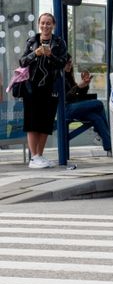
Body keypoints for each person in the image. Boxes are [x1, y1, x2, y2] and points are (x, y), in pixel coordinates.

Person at [19, 13, 69, 169]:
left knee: (45, 123)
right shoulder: (32, 41)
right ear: (39, 24)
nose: (45, 26)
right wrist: (36, 53)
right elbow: (22, 61)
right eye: (43, 23)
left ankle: (39, 155)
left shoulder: (59, 43)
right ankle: (33, 157)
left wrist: (51, 55)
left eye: (48, 23)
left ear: (53, 25)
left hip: (50, 87)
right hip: (32, 88)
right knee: (33, 123)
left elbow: (62, 63)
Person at [63, 60, 112, 153]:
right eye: (67, 62)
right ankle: (101, 134)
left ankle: (108, 146)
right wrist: (78, 87)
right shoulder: (59, 77)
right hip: (67, 109)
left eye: (71, 62)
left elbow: (78, 95)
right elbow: (65, 97)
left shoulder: (69, 77)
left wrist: (85, 85)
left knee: (97, 118)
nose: (70, 64)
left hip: (76, 107)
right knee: (99, 103)